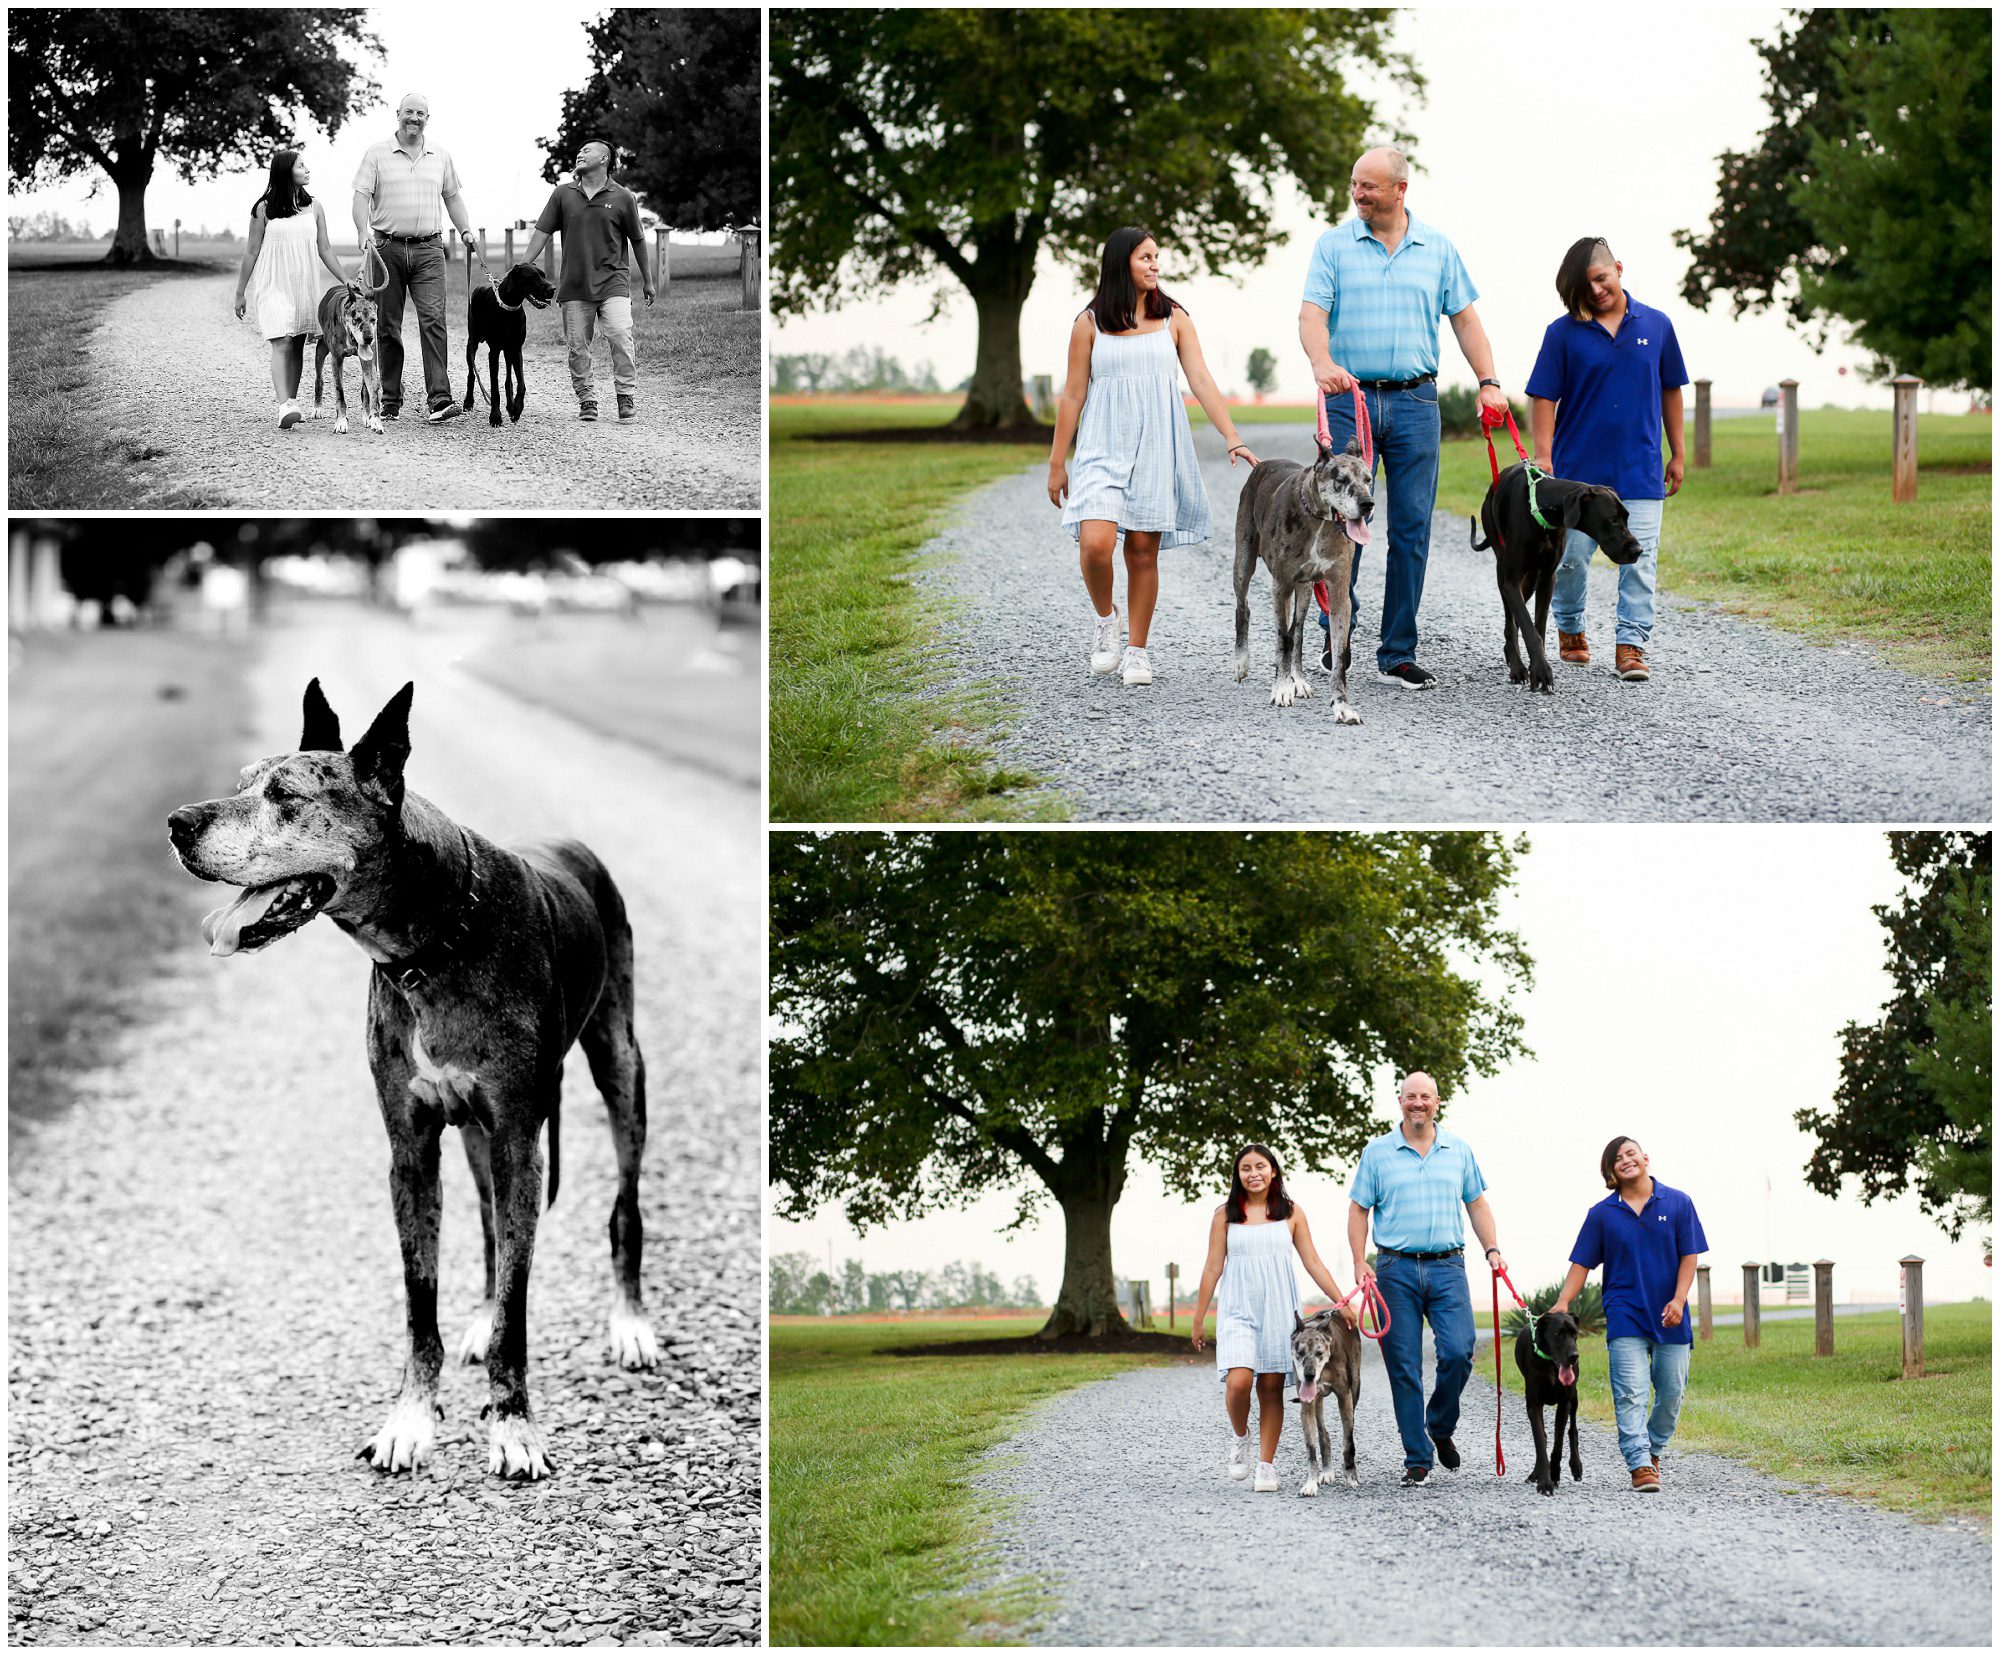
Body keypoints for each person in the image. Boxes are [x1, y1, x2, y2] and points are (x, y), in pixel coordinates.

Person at [1298, 147, 1509, 691]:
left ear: (1400, 190)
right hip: (1351, 400)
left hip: (1416, 403)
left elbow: (1466, 321)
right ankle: (1337, 634)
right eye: (1354, 184)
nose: (1358, 193)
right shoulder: (1334, 246)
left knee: (1412, 528)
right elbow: (1312, 315)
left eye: (1368, 186)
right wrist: (1321, 362)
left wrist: (1488, 382)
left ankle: (1397, 653)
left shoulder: (1437, 248)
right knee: (1343, 522)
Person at [1048, 226, 1259, 688]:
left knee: (1143, 551)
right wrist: (1057, 462)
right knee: (1095, 545)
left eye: (1157, 257)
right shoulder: (1089, 324)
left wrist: (1231, 436)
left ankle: (1137, 651)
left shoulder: (1174, 318)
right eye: (1146, 257)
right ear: (1121, 262)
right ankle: (1106, 618)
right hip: (1103, 443)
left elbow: (1200, 379)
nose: (1155, 265)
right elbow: (1072, 394)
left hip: (1157, 444)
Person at [1525, 237, 1689, 683]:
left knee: (1641, 558)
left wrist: (1678, 452)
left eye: (1601, 278)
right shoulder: (1562, 333)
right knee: (1572, 559)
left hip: (1640, 470)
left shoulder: (1657, 325)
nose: (1596, 290)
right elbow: (1542, 396)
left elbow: (1672, 389)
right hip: (1577, 477)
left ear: (1618, 268)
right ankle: (1571, 627)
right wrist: (1543, 457)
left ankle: (1631, 645)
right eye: (1586, 285)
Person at [1346, 1071, 1507, 1485]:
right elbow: (1358, 1210)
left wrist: (1492, 1249)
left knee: (1458, 1351)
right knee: (1404, 1366)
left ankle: (1439, 1424)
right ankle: (1417, 1457)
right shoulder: (1377, 1152)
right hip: (1394, 1269)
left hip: (1447, 1266)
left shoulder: (1459, 1150)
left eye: (1425, 1097)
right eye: (1410, 1096)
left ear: (1437, 1101)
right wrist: (1358, 1262)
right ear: (1399, 1100)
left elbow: (1477, 1203)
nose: (1417, 1102)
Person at [1191, 1144, 1359, 1492]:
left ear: (1273, 1171)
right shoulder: (1225, 1215)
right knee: (1239, 1382)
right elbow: (1212, 1266)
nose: (1253, 1173)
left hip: (1279, 1308)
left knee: (1270, 1388)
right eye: (1245, 1168)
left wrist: (1340, 1299)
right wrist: (1198, 1317)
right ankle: (1241, 1437)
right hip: (1238, 1308)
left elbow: (1313, 1261)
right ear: (1237, 1176)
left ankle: (1266, 1466)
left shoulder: (1291, 1213)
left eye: (1260, 1166)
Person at [1550, 1137, 1707, 1494]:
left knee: (1671, 1393)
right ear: (1610, 1171)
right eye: (1617, 1158)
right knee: (1630, 1393)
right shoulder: (1602, 1214)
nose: (1626, 1160)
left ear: (1645, 1158)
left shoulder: (1679, 1203)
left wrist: (1680, 1300)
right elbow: (1581, 1264)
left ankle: (1652, 1450)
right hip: (1625, 1314)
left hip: (1671, 1315)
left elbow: (1689, 1256)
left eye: (1631, 1153)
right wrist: (1562, 1302)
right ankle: (1638, 1463)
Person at [350, 92, 476, 423]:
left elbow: (453, 198)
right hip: (385, 250)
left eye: (421, 113)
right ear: (398, 114)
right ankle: (389, 397)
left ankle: (439, 399)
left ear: (427, 119)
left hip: (430, 250)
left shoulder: (440, 155)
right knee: (387, 325)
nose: (414, 118)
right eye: (409, 112)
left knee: (433, 320)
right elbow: (361, 197)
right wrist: (361, 231)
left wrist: (465, 229)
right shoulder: (377, 153)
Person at [524, 141, 654, 424]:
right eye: (579, 151)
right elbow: (542, 232)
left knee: (620, 334)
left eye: (587, 150)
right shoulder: (563, 194)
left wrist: (648, 280)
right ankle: (587, 399)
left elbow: (638, 240)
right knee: (577, 347)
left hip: (613, 281)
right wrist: (523, 266)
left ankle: (625, 396)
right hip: (574, 284)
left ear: (605, 158)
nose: (580, 154)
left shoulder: (623, 197)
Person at [232, 151, 355, 429]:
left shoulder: (315, 207)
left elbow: (325, 249)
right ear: (286, 171)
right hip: (273, 281)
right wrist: (240, 292)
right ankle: (284, 405)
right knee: (282, 339)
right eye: (301, 165)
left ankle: (291, 400)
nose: (308, 169)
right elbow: (251, 252)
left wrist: (346, 279)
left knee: (298, 341)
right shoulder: (263, 209)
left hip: (303, 282)